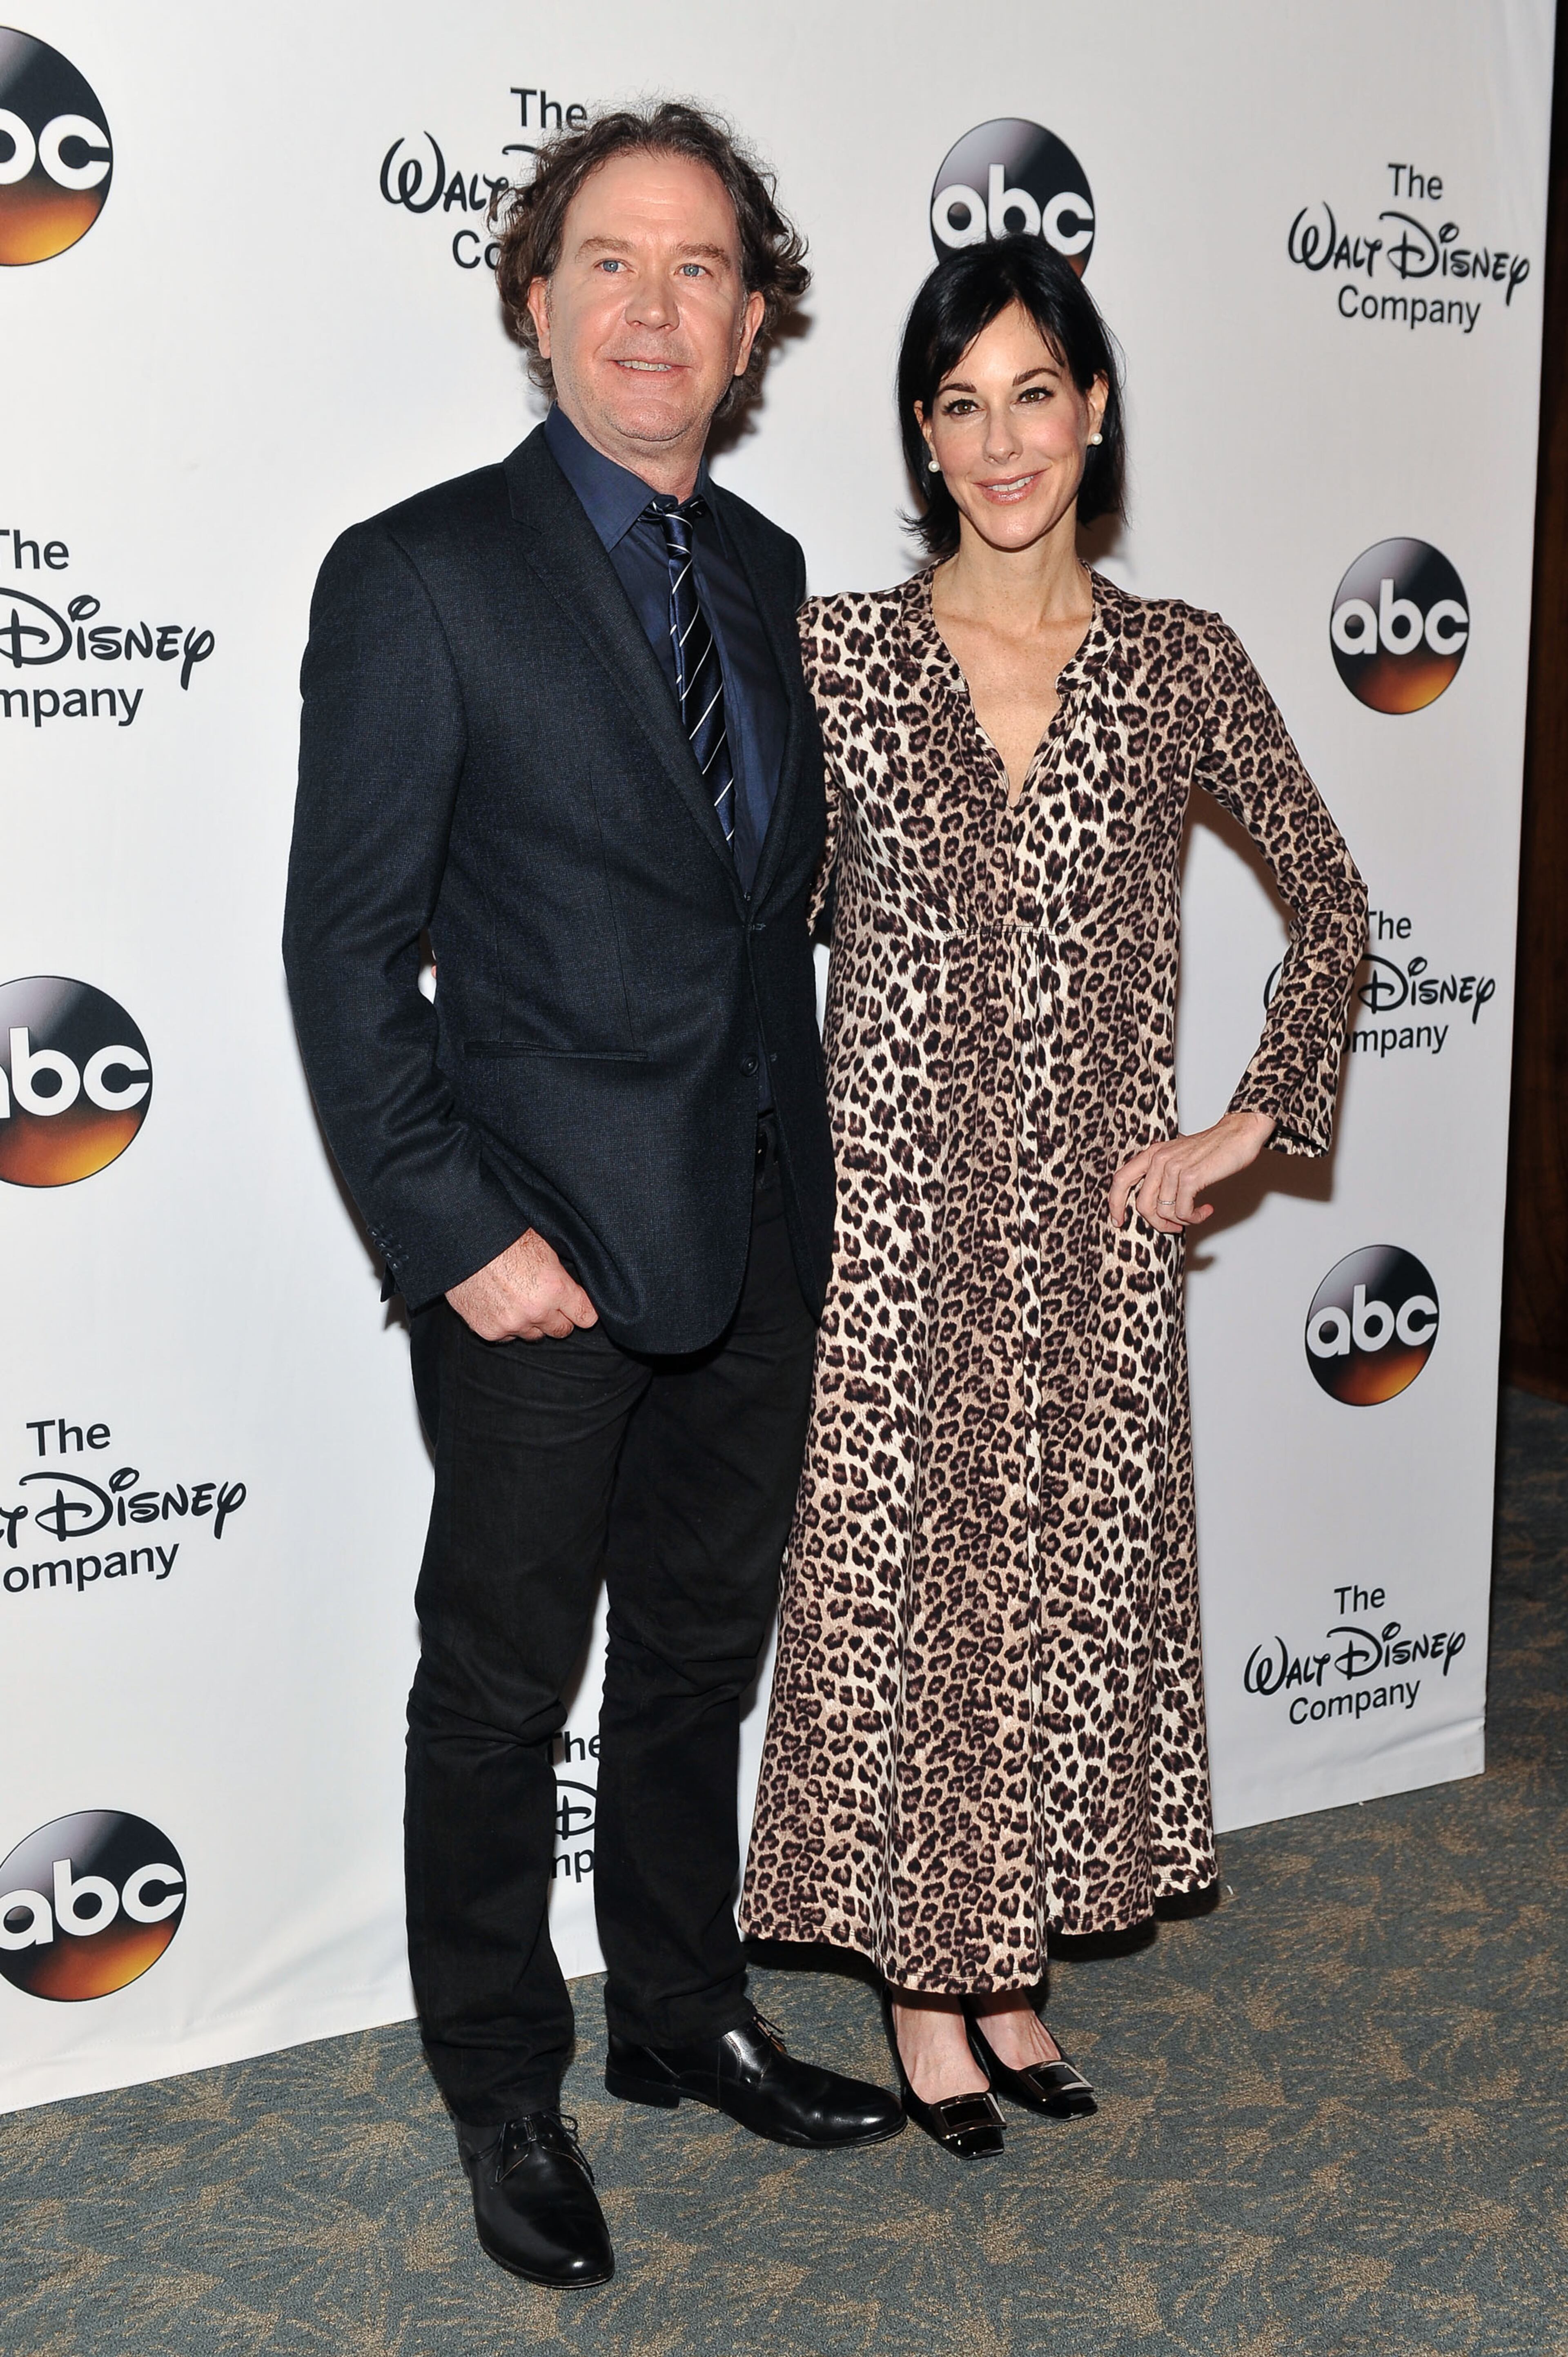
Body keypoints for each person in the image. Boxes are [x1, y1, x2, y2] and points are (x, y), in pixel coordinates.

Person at [282, 102, 902, 2292]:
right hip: (536, 1251)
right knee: (501, 1680)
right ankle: (501, 2078)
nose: (657, 307)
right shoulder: (417, 573)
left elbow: (761, 920)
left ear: (754, 324)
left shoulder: (761, 572)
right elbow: (346, 958)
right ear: (537, 300)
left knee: (698, 1651)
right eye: (613, 264)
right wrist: (458, 1235)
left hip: (753, 1220)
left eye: (704, 269)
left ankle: (682, 2002)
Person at [740, 236, 1368, 2157]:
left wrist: (1242, 1130)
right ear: (922, 439)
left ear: (1094, 411)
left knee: (1052, 1611)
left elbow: (1333, 912)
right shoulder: (832, 657)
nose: (1001, 439)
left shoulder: (1181, 663)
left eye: (1034, 392)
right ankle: (929, 1994)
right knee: (910, 1606)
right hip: (895, 1237)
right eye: (959, 402)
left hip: (1097, 1249)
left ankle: (1005, 1972)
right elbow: (738, 944)